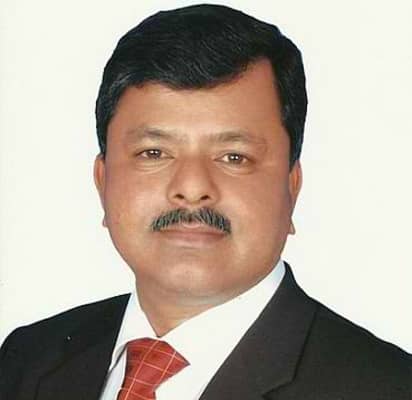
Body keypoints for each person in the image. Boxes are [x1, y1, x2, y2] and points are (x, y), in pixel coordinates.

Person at [0, 4, 410, 399]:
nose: (192, 188)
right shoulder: (25, 359)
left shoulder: (388, 388)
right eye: (154, 153)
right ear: (102, 181)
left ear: (292, 187)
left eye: (234, 157)